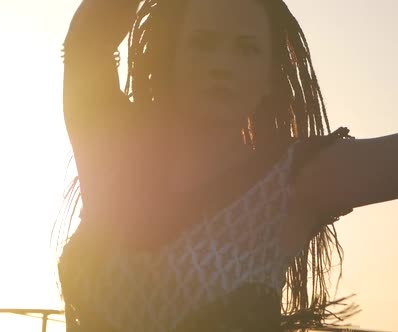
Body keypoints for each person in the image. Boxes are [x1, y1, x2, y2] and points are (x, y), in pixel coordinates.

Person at [54, 0, 398, 331]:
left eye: (247, 50)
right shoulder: (112, 155)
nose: (223, 64)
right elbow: (88, 42)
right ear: (171, 57)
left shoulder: (294, 181)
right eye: (203, 44)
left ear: (268, 78)